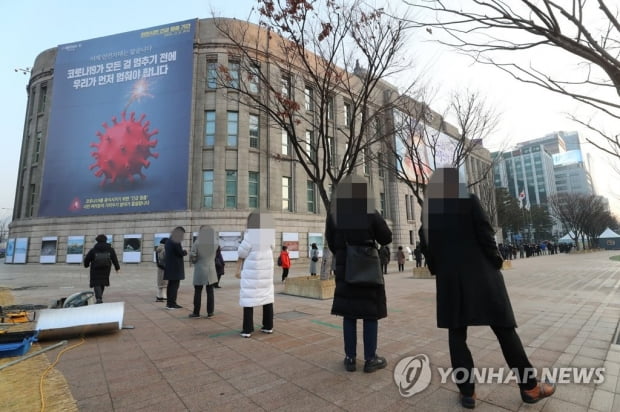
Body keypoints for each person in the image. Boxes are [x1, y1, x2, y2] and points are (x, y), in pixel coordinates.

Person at [418, 168, 555, 409]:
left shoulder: (429, 211)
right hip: (481, 276)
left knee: (456, 335)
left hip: (450, 281)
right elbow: (486, 234)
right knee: (504, 329)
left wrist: (439, 270)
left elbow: (427, 247)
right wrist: (496, 260)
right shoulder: (468, 201)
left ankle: (467, 393)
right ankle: (530, 387)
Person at [326, 175, 392, 373]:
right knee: (369, 314)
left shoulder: (334, 214)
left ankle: (350, 358)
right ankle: (371, 358)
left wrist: (344, 251)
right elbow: (386, 237)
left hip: (345, 268)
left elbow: (330, 241)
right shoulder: (369, 211)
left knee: (349, 314)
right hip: (368, 267)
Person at [238, 211, 276, 338]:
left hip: (253, 273)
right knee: (267, 298)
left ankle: (247, 329)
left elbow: (241, 252)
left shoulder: (250, 235)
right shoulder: (269, 235)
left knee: (249, 299)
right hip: (266, 273)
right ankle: (268, 326)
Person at [189, 226, 218, 318]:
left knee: (198, 291)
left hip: (200, 269)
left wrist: (194, 260)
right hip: (211, 269)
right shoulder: (215, 242)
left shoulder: (197, 242)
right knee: (210, 291)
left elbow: (193, 255)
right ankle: (210, 312)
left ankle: (196, 312)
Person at [83, 234, 120, 304]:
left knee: (96, 282)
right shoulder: (110, 249)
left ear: (97, 241)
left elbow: (87, 259)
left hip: (95, 269)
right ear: (106, 240)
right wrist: (117, 268)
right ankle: (99, 297)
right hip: (106, 268)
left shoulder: (93, 250)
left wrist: (86, 265)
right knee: (102, 282)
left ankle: (98, 298)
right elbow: (114, 259)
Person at [164, 226, 187, 310]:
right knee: (174, 286)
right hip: (175, 267)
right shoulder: (176, 240)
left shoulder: (169, 240)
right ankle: (172, 304)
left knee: (170, 285)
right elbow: (180, 252)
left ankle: (169, 303)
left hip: (170, 267)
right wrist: (185, 252)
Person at [155, 238, 168, 302]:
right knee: (164, 282)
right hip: (164, 267)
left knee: (160, 282)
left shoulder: (158, 248)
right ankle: (163, 296)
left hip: (159, 267)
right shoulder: (164, 249)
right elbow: (164, 257)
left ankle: (158, 296)